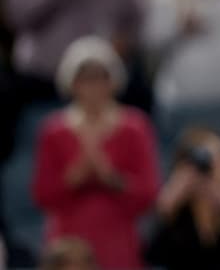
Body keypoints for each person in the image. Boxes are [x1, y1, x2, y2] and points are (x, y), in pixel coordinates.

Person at [32, 36, 160, 269]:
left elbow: (148, 192)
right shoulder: (53, 131)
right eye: (86, 79)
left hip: (118, 243)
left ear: (113, 80)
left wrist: (110, 177)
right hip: (67, 246)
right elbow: (42, 194)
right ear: (72, 83)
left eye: (100, 77)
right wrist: (76, 176)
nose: (93, 87)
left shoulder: (134, 127)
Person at [144, 127, 220, 270]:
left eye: (216, 161)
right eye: (201, 163)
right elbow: (151, 256)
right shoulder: (176, 213)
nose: (207, 171)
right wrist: (167, 208)